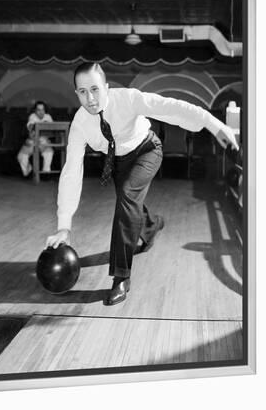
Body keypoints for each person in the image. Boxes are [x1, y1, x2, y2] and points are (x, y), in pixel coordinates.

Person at [45, 62, 239, 306]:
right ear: (76, 94)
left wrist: (215, 125)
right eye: (82, 92)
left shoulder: (128, 99)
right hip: (118, 161)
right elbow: (72, 171)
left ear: (106, 87)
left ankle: (121, 278)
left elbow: (172, 106)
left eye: (95, 89)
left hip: (147, 150)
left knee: (127, 196)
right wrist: (64, 225)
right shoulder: (80, 124)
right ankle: (151, 225)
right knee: (131, 203)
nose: (90, 98)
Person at [17, 101, 54, 177]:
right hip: (32, 142)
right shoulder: (32, 116)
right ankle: (28, 171)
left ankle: (45, 173)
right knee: (21, 156)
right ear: (35, 110)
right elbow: (30, 127)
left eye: (42, 110)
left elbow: (52, 131)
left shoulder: (48, 117)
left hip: (44, 142)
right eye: (38, 110)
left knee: (49, 153)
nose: (41, 112)